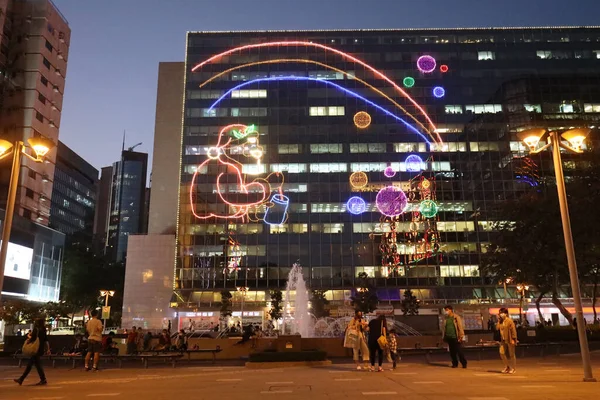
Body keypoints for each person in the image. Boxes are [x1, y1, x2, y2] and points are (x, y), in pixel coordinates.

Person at [14, 318, 48, 386]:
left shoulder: (36, 329)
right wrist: (48, 349)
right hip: (40, 349)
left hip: (35, 349)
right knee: (35, 365)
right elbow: (46, 340)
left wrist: (29, 336)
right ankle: (22, 379)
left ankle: (22, 379)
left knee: (31, 365)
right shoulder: (43, 330)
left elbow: (33, 338)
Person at [497, 307, 517, 374]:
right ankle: (507, 366)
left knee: (512, 354)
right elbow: (497, 328)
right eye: (500, 313)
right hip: (503, 340)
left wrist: (514, 339)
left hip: (509, 339)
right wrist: (499, 321)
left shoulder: (509, 321)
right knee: (501, 352)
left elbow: (513, 330)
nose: (501, 314)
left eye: (502, 313)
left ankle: (513, 368)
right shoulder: (500, 321)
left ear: (506, 314)